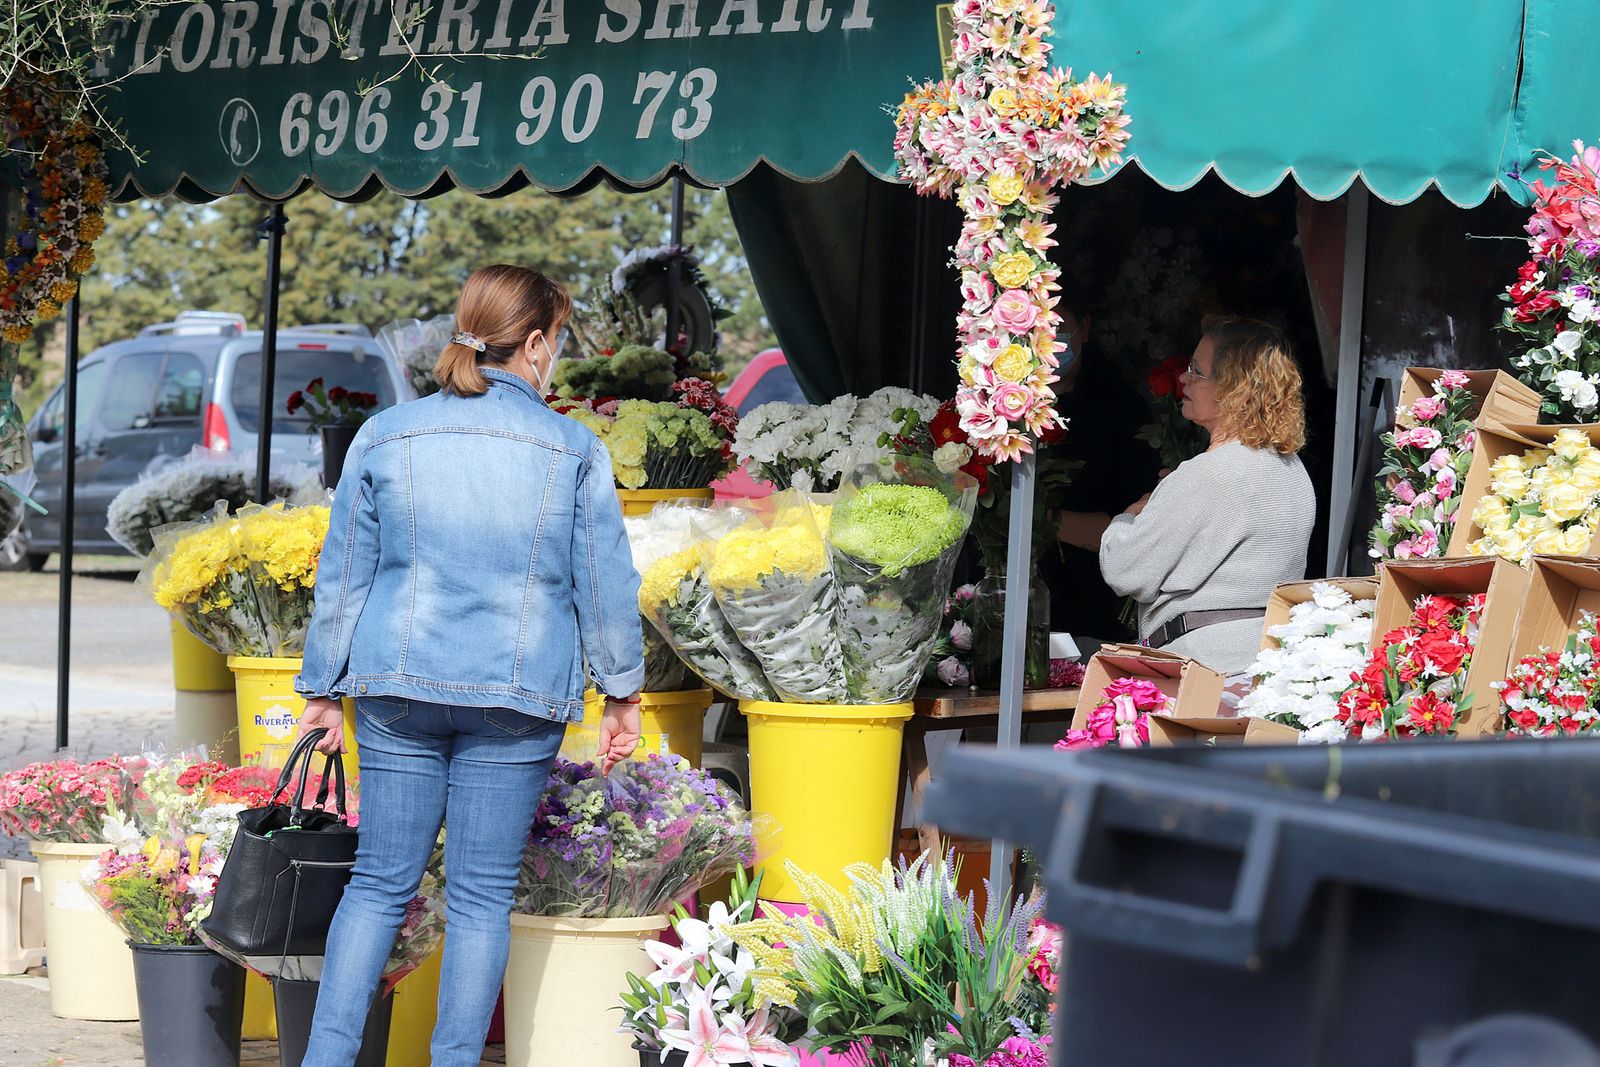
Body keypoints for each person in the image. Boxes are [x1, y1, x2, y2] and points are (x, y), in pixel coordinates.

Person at [292, 264, 646, 1067]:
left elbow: (343, 573)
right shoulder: (572, 447)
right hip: (517, 693)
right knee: (481, 897)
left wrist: (320, 688)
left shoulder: (386, 433)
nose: (554, 354)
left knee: (379, 884)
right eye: (555, 340)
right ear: (531, 344)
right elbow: (605, 578)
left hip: (394, 684)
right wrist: (621, 689)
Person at [1091, 315, 1314, 675]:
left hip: (1203, 674)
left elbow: (1125, 570)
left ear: (1233, 387)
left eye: (1196, 369)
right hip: (1267, 666)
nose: (1183, 377)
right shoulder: (1292, 472)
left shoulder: (1208, 474)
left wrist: (1130, 517)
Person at [1042, 301, 1163, 653]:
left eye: (1060, 325)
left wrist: (1034, 520)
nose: (1050, 339)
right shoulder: (999, 412)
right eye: (1039, 327)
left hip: (1090, 614)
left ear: (1086, 326)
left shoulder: (1120, 413)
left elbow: (1131, 524)